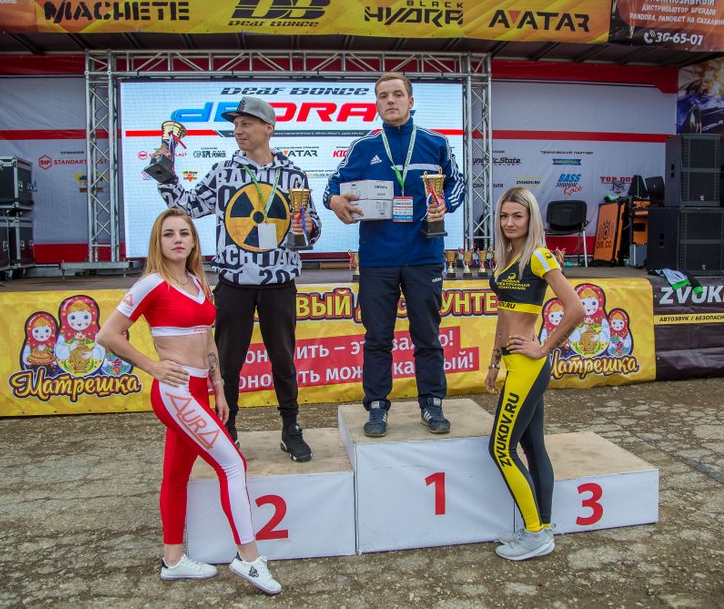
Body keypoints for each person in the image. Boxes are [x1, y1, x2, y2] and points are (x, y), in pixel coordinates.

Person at [96, 208, 281, 594]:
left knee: (176, 474)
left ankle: (173, 560)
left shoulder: (198, 282)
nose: (177, 240)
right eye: (168, 234)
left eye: (184, 233)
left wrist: (219, 386)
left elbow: (206, 337)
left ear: (194, 241)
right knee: (233, 464)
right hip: (176, 391)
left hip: (200, 389)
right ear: (158, 242)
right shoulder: (151, 284)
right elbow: (107, 335)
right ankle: (249, 559)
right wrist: (153, 367)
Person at [155, 96, 321, 462]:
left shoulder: (293, 175)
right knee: (227, 363)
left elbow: (312, 230)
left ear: (268, 128)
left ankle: (291, 428)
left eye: (246, 124)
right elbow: (187, 207)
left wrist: (306, 226)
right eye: (235, 125)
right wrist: (164, 173)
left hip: (279, 283)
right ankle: (226, 428)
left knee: (283, 360)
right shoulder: (223, 171)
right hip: (234, 285)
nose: (238, 130)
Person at [324, 72, 464, 437]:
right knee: (377, 338)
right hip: (377, 259)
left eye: (397, 94)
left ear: (410, 101)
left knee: (427, 335)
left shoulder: (436, 143)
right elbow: (330, 187)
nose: (390, 100)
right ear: (376, 103)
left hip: (424, 254)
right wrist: (335, 200)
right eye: (383, 95)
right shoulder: (363, 147)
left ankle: (432, 403)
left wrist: (445, 204)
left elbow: (458, 182)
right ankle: (376, 406)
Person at [485, 187, 586, 561]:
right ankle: (541, 526)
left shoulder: (540, 256)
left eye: (517, 216)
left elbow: (576, 309)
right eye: (504, 216)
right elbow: (504, 314)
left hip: (529, 366)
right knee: (531, 446)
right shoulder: (507, 257)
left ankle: (534, 535)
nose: (509, 223)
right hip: (514, 364)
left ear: (531, 219)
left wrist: (544, 349)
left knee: (500, 448)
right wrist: (494, 362)